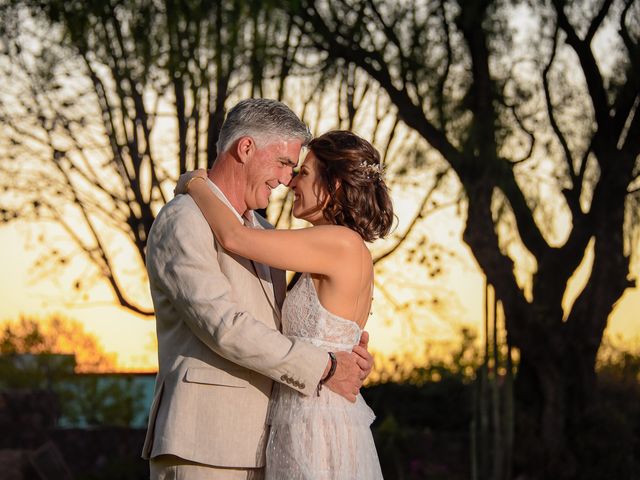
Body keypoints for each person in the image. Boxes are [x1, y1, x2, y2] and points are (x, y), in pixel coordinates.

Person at [142, 99, 373, 480]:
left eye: (295, 169)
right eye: (284, 164)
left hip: (274, 441)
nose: (287, 180)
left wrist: (348, 356)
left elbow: (291, 325)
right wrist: (327, 366)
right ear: (246, 148)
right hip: (204, 445)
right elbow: (225, 326)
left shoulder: (264, 236)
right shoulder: (183, 220)